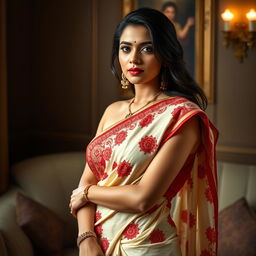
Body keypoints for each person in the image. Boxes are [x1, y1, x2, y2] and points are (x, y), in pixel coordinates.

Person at [69, 8, 218, 256]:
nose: (134, 59)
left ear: (165, 54)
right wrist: (85, 239)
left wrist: (86, 193)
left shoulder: (182, 117)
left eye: (147, 49)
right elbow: (87, 178)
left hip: (145, 246)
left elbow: (142, 198)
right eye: (126, 48)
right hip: (96, 244)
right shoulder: (112, 111)